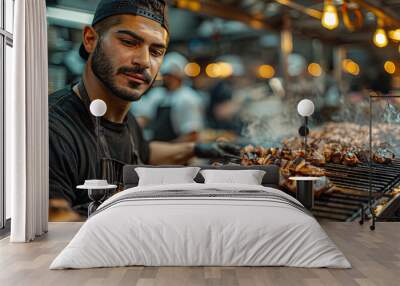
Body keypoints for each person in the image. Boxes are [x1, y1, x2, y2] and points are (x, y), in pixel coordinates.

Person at [49, 0, 239, 221]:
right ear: (91, 39)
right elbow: (55, 223)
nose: (144, 61)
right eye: (129, 42)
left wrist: (199, 149)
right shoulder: (53, 129)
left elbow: (146, 153)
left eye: (156, 51)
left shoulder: (126, 121)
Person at [130, 52, 204, 142]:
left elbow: (192, 135)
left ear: (178, 76)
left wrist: (167, 148)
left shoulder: (188, 98)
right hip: (157, 145)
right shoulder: (157, 95)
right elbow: (144, 118)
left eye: (169, 75)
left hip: (178, 150)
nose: (165, 78)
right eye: (165, 75)